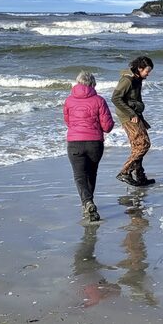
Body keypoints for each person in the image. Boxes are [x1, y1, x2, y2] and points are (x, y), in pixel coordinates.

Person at [63, 71, 115, 222]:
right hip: (94, 143)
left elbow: (67, 122)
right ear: (92, 84)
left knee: (79, 176)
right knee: (91, 174)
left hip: (74, 143)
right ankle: (88, 202)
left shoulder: (68, 100)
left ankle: (87, 203)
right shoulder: (99, 100)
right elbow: (107, 126)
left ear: (78, 83)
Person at [112, 56, 155, 187]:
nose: (148, 74)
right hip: (128, 117)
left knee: (138, 146)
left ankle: (140, 176)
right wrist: (131, 114)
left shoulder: (138, 79)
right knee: (143, 145)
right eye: (147, 71)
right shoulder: (127, 80)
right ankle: (125, 172)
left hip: (135, 115)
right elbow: (115, 98)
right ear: (140, 68)